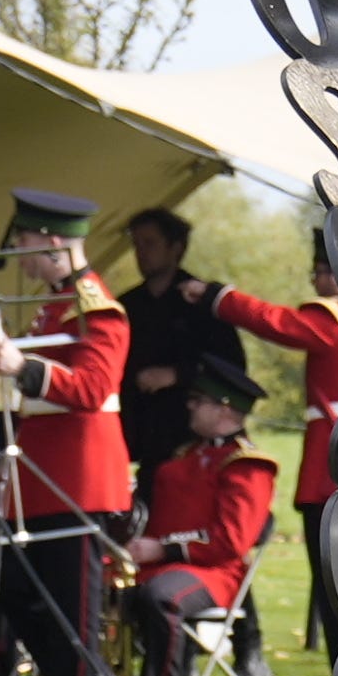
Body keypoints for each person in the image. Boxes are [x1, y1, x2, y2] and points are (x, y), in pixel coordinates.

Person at [0, 188, 129, 676]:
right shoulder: (56, 305)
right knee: (16, 593)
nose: (18, 254)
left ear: (49, 240)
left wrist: (24, 366)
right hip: (40, 477)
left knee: (72, 612)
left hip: (77, 481)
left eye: (23, 241)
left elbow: (92, 389)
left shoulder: (96, 307)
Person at [212, 232, 338, 654]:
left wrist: (220, 298)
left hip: (331, 476)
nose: (316, 282)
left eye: (322, 272)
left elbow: (274, 321)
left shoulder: (335, 321)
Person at [121, 383, 279, 676]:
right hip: (163, 567)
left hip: (215, 573)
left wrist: (164, 548)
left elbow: (230, 541)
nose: (190, 406)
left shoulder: (248, 465)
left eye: (198, 400)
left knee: (162, 597)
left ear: (224, 409)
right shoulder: (187, 455)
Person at [109, 202, 254, 474]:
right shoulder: (125, 306)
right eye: (137, 245)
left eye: (150, 243)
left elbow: (232, 365)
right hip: (139, 431)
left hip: (190, 433)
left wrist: (177, 374)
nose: (141, 253)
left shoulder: (201, 303)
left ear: (175, 248)